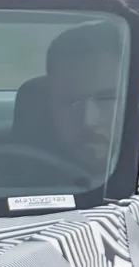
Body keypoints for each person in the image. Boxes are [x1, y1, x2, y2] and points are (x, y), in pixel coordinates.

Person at [41, 23, 125, 181]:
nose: (89, 121)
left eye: (107, 99)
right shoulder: (6, 181)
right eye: (70, 101)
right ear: (49, 105)